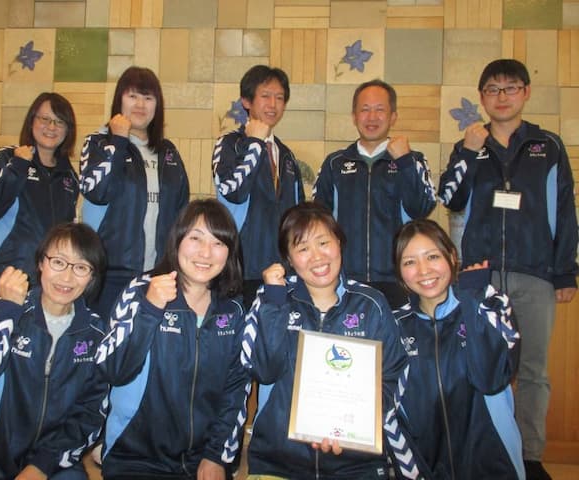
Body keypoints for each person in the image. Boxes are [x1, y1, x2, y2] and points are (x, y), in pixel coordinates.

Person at [438, 59, 578, 480]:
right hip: (479, 276)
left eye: (511, 87)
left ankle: (530, 456)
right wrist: (467, 151)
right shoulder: (470, 145)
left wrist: (565, 272)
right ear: (482, 97)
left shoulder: (547, 146)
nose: (502, 97)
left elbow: (565, 210)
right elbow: (449, 198)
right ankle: (480, 452)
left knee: (533, 371)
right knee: (476, 365)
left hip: (535, 273)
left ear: (526, 92)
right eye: (493, 89)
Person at [240, 202, 408, 479]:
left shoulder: (371, 304)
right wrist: (275, 301)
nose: (317, 257)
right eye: (303, 248)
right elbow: (265, 371)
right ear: (289, 258)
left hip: (356, 466)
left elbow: (394, 376)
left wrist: (357, 429)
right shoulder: (273, 297)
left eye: (323, 242)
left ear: (339, 242)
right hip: (279, 462)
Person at [95, 198, 249, 480]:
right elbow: (112, 369)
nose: (205, 252)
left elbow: (235, 390)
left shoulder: (233, 310)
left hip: (202, 459)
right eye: (195, 238)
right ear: (177, 240)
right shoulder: (141, 291)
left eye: (218, 242)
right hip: (135, 458)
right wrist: (150, 309)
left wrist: (216, 455)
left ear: (229, 252)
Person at [0, 222, 108, 480]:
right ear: (41, 263)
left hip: (53, 459)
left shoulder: (96, 333)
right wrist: (8, 312)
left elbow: (89, 414)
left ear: (92, 276)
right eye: (58, 262)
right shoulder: (0, 311)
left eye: (81, 267)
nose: (67, 278)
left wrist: (40, 467)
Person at [392, 218, 524, 479]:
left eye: (432, 256)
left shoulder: (490, 304)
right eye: (409, 262)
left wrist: (471, 297)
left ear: (452, 256)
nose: (423, 270)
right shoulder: (395, 326)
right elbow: (392, 413)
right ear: (399, 272)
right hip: (427, 470)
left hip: (494, 468)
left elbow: (490, 379)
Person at [313, 79, 436, 309]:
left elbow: (422, 209)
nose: (372, 117)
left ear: (393, 116)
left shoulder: (413, 160)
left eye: (380, 110)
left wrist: (405, 162)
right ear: (354, 116)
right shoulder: (335, 163)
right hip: (346, 279)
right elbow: (318, 223)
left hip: (400, 278)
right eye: (365, 110)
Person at [80, 65, 190, 321]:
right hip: (109, 275)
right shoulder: (98, 143)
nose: (140, 104)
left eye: (148, 98)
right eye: (132, 96)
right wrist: (118, 141)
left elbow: (182, 212)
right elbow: (97, 191)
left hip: (158, 276)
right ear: (119, 100)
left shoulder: (168, 152)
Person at [0, 92, 79, 310]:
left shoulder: (70, 177)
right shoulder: (7, 157)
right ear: (31, 121)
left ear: (68, 130)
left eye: (59, 121)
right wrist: (18, 166)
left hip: (47, 291)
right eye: (44, 118)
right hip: (1, 283)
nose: (51, 127)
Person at [212, 64, 305, 309]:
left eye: (280, 98)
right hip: (240, 270)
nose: (273, 104)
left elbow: (298, 215)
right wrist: (254, 142)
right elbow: (233, 191)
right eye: (265, 96)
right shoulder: (229, 144)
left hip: (281, 272)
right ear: (246, 101)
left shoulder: (286, 155)